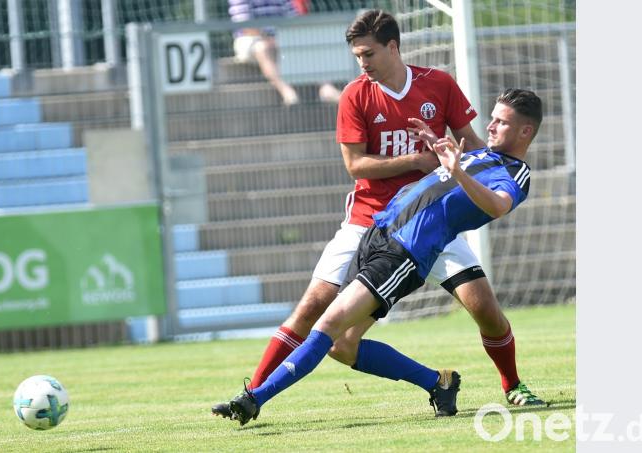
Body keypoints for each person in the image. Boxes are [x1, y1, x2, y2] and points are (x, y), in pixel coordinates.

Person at [212, 9, 542, 421]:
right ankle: (254, 392)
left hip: (431, 226)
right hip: (372, 219)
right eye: (356, 56)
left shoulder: (438, 84)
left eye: (367, 54)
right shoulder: (355, 94)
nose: (361, 63)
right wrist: (418, 160)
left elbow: (475, 147)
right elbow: (355, 166)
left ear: (393, 47)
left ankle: (512, 386)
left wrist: (455, 163)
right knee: (316, 309)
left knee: (484, 309)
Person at [228, 0, 341, 105]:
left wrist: (289, 38)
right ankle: (287, 92)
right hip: (250, 39)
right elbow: (246, 26)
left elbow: (294, 21)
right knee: (262, 48)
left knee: (305, 41)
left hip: (279, 40)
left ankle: (326, 87)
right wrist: (271, 39)